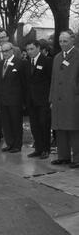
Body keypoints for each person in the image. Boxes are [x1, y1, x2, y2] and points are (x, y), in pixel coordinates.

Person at [50, 30, 79, 169]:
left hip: (73, 99)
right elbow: (53, 80)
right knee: (60, 129)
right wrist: (51, 99)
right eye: (60, 41)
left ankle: (78, 158)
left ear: (72, 40)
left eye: (65, 41)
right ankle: (63, 156)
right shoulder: (57, 58)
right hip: (58, 99)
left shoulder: (78, 55)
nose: (62, 44)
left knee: (74, 129)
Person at [0, 28, 22, 143]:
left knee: (15, 120)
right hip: (1, 92)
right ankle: (7, 141)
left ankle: (16, 143)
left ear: (8, 37)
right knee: (4, 120)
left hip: (14, 93)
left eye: (3, 37)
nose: (1, 39)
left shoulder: (16, 51)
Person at [25, 40, 52, 159]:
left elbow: (51, 81)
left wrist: (50, 99)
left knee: (44, 125)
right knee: (34, 126)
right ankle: (38, 149)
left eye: (32, 49)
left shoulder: (47, 61)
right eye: (28, 50)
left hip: (43, 100)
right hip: (31, 100)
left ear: (38, 48)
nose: (29, 51)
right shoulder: (26, 63)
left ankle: (46, 149)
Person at [0, 42, 26, 153]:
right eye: (2, 51)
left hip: (15, 100)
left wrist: (23, 100)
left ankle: (17, 145)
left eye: (6, 51)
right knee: (6, 123)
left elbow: (24, 83)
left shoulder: (20, 63)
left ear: (11, 50)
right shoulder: (0, 64)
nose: (4, 53)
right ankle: (9, 143)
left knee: (16, 123)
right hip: (3, 100)